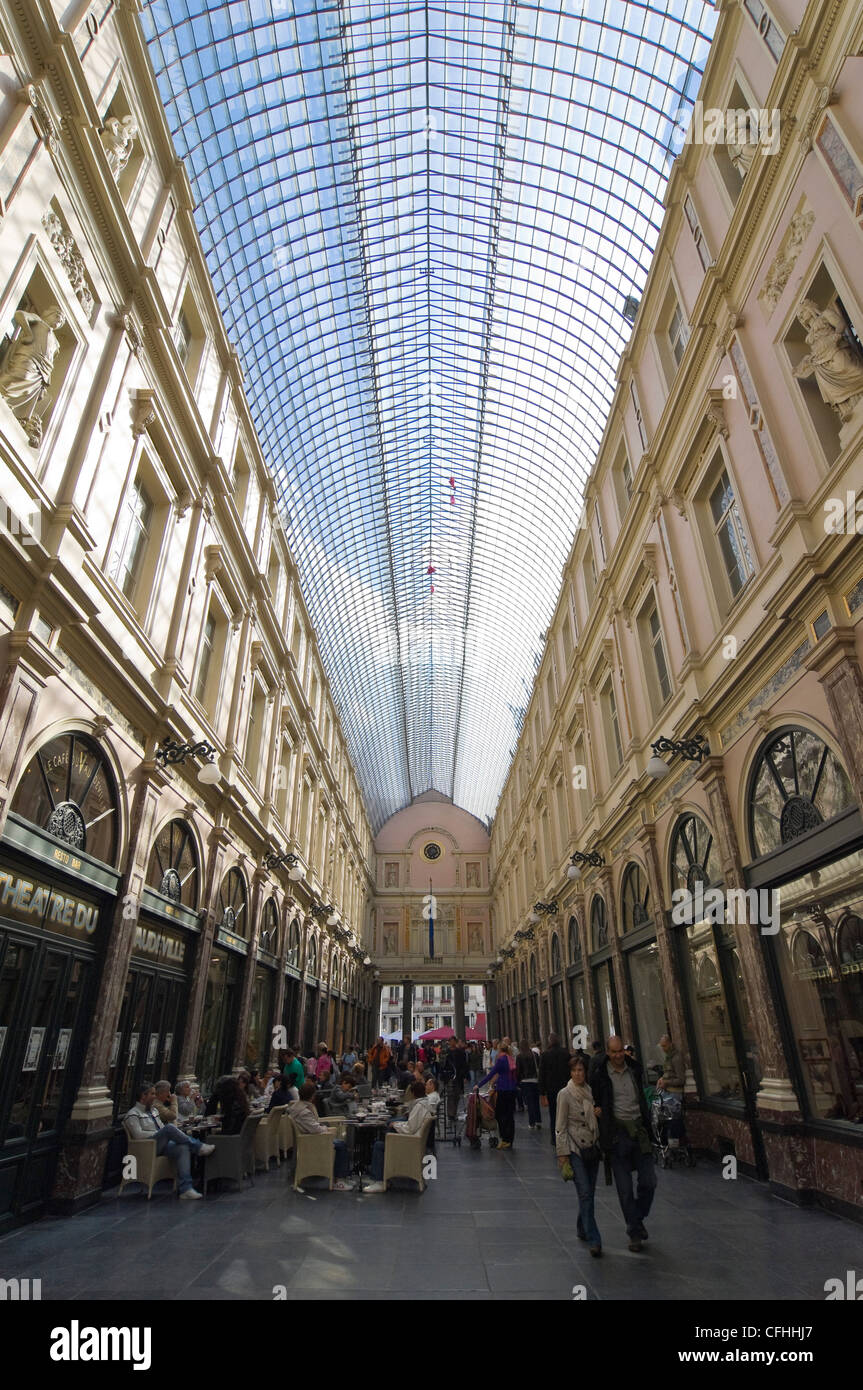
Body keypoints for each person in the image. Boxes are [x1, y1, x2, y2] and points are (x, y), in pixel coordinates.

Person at [589, 1035, 656, 1252]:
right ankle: (634, 1232)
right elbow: (593, 1098)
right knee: (625, 1189)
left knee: (649, 1182)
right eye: (614, 1052)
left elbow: (642, 1100)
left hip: (639, 1131)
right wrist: (597, 1110)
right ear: (608, 1053)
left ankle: (637, 1216)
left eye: (621, 1052)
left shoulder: (634, 1070)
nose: (618, 1056)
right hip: (617, 1136)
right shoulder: (600, 1076)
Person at [124, 1083, 214, 1200]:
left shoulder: (154, 1111)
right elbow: (138, 1135)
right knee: (169, 1128)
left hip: (161, 1145)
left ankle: (186, 1189)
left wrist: (163, 1134)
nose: (154, 1096)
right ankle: (198, 1147)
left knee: (183, 1148)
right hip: (146, 1148)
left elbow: (163, 1128)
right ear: (143, 1096)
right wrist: (160, 1134)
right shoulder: (133, 1114)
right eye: (152, 1094)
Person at [556, 1056, 602, 1256]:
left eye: (581, 1070)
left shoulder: (592, 1093)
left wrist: (597, 1113)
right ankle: (594, 1239)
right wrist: (562, 1154)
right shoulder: (565, 1094)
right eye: (575, 1071)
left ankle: (582, 1226)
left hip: (592, 1146)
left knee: (588, 1193)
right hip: (575, 1149)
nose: (578, 1074)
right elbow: (560, 1127)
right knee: (584, 1192)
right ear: (570, 1073)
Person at [363, 1083, 433, 1192]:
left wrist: (396, 1125)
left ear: (413, 1093)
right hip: (416, 1141)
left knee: (378, 1145)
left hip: (410, 1142)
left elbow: (410, 1129)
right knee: (387, 1133)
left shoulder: (419, 1106)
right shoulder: (425, 1103)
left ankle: (379, 1180)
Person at [288, 1081, 352, 1189]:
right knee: (341, 1145)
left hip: (309, 1138)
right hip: (313, 1141)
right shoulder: (304, 1111)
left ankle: (342, 1177)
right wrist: (327, 1129)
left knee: (340, 1143)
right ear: (312, 1096)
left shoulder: (297, 1107)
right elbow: (315, 1129)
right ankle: (338, 1180)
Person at [473, 1042, 517, 1149]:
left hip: (503, 1090)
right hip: (512, 1090)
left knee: (500, 1115)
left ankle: (505, 1138)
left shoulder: (501, 1060)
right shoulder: (510, 1058)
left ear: (500, 1051)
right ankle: (510, 1139)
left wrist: (478, 1085)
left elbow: (492, 1074)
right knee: (510, 1115)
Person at [538, 1032, 572, 1146]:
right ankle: (566, 1135)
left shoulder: (545, 1055)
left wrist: (542, 1093)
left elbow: (542, 1075)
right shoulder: (566, 1053)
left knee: (553, 1114)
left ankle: (555, 1137)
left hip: (551, 1089)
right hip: (565, 1088)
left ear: (549, 1042)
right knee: (566, 1113)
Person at [656, 1033, 687, 1146]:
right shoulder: (668, 1057)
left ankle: (676, 1144)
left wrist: (666, 1082)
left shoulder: (676, 1057)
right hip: (668, 1093)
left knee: (673, 1120)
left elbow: (681, 1079)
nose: (663, 1049)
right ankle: (668, 1143)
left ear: (670, 1044)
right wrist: (662, 1079)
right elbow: (668, 1073)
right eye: (662, 1046)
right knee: (664, 1118)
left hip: (675, 1094)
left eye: (664, 1046)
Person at [516, 1039, 541, 1130]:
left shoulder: (519, 1056)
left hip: (525, 1082)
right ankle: (538, 1121)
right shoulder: (534, 1055)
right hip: (535, 1080)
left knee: (529, 1103)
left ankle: (532, 1122)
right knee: (536, 1102)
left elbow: (518, 1071)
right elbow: (539, 1067)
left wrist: (518, 1082)